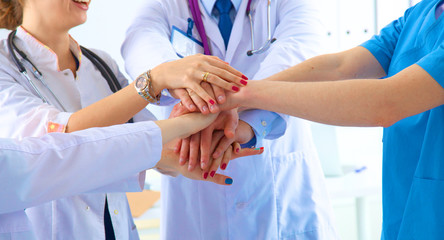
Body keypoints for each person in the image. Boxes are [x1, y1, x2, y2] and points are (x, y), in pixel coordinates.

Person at [0, 0, 247, 239]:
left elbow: (153, 142)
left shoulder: (101, 64)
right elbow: (59, 142)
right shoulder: (4, 64)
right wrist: (155, 80)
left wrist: (203, 138)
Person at [217, 0, 444, 238]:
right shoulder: (423, 13)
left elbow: (385, 103)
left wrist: (245, 95)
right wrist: (240, 101)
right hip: (407, 218)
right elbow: (340, 67)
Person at [122, 0, 338, 239]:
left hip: (282, 195)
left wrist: (233, 111)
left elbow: (302, 51)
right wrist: (188, 90)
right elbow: (140, 45)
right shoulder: (164, 5)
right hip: (196, 197)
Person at [0, 115, 263, 214]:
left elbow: (158, 149)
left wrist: (177, 152)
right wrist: (183, 123)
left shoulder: (102, 63)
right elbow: (44, 159)